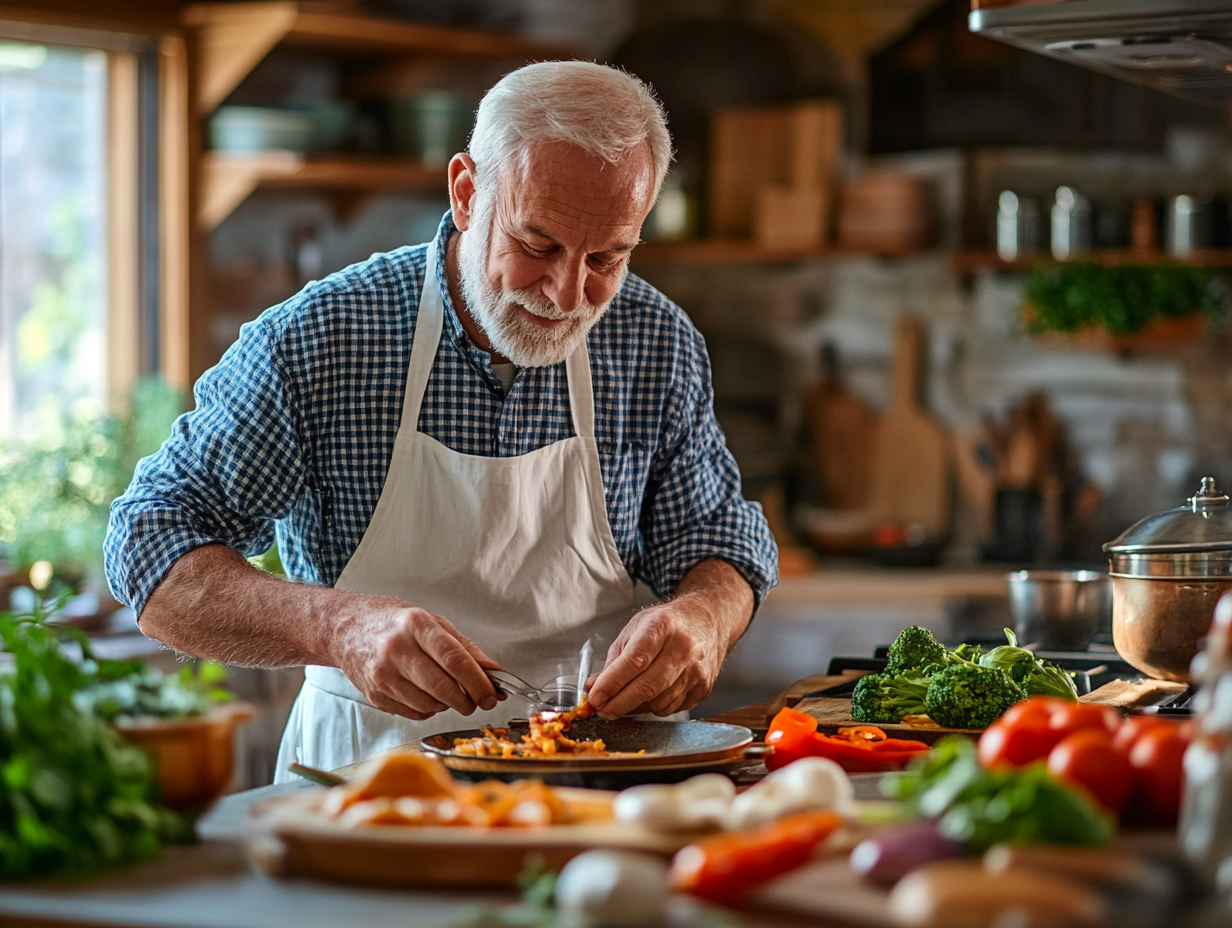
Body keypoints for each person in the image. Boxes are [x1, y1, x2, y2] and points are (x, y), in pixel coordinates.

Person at [104, 61, 778, 778]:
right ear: (465, 192)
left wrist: (705, 619)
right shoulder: (319, 340)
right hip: (363, 787)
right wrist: (337, 628)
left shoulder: (655, 342)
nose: (569, 293)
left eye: (607, 257)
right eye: (537, 244)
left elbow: (715, 541)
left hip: (601, 787)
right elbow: (150, 549)